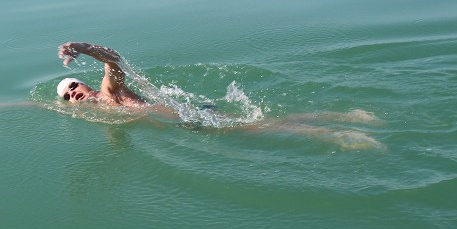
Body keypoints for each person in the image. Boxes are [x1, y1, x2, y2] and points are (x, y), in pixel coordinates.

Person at [52, 41, 384, 149]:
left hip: (188, 120)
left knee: (257, 127)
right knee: (261, 123)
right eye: (67, 96)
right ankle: (344, 118)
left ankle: (338, 134)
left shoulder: (111, 94)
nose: (72, 95)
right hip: (186, 118)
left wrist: (79, 47)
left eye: (73, 87)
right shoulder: (93, 110)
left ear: (84, 85)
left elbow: (113, 60)